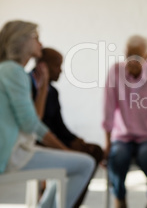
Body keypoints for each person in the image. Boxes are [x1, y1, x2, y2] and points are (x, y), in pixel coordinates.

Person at [0, 20, 95, 208]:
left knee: (74, 163)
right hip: (11, 155)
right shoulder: (14, 71)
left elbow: (33, 121)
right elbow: (31, 124)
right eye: (36, 38)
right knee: (85, 164)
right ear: (22, 41)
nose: (40, 44)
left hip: (15, 150)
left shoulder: (8, 70)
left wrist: (43, 88)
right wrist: (64, 150)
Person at [102, 35, 147, 208]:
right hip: (121, 136)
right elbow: (108, 106)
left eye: (137, 56)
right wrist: (107, 143)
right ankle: (120, 199)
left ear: (146, 57)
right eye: (129, 55)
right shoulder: (115, 71)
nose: (132, 60)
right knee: (117, 157)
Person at [31, 47, 104, 207]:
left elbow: (59, 125)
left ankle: (56, 203)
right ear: (43, 66)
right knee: (82, 162)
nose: (61, 71)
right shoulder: (29, 85)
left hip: (52, 139)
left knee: (94, 151)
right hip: (37, 143)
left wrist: (75, 141)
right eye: (57, 66)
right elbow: (34, 126)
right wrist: (64, 149)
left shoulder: (53, 91)